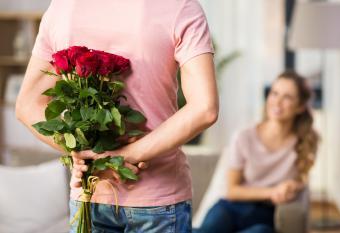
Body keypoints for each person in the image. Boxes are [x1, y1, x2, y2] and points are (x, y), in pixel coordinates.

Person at [16, 0, 218, 232]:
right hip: (157, 199)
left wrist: (86, 154)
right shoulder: (180, 6)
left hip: (90, 194)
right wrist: (125, 156)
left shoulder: (64, 6)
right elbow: (204, 107)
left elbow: (28, 105)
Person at [194, 71, 319, 233]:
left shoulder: (306, 141)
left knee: (261, 232)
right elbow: (232, 190)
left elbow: (303, 178)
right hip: (229, 209)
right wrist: (272, 192)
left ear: (300, 106)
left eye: (287, 97)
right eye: (274, 93)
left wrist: (293, 186)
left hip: (264, 214)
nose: (277, 102)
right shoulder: (244, 137)